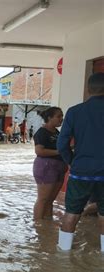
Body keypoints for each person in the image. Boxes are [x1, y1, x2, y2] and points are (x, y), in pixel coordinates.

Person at [57, 73, 104, 252]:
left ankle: (63, 255)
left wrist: (72, 162)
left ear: (88, 89)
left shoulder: (75, 111)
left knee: (71, 213)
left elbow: (62, 144)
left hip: (80, 172)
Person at [32, 107, 66, 220]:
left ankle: (46, 226)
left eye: (62, 116)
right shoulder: (42, 132)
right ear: (49, 118)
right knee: (43, 199)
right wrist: (59, 152)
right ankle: (38, 226)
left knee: (50, 200)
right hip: (46, 167)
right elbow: (39, 151)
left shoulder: (56, 132)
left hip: (58, 166)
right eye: (59, 116)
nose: (61, 119)